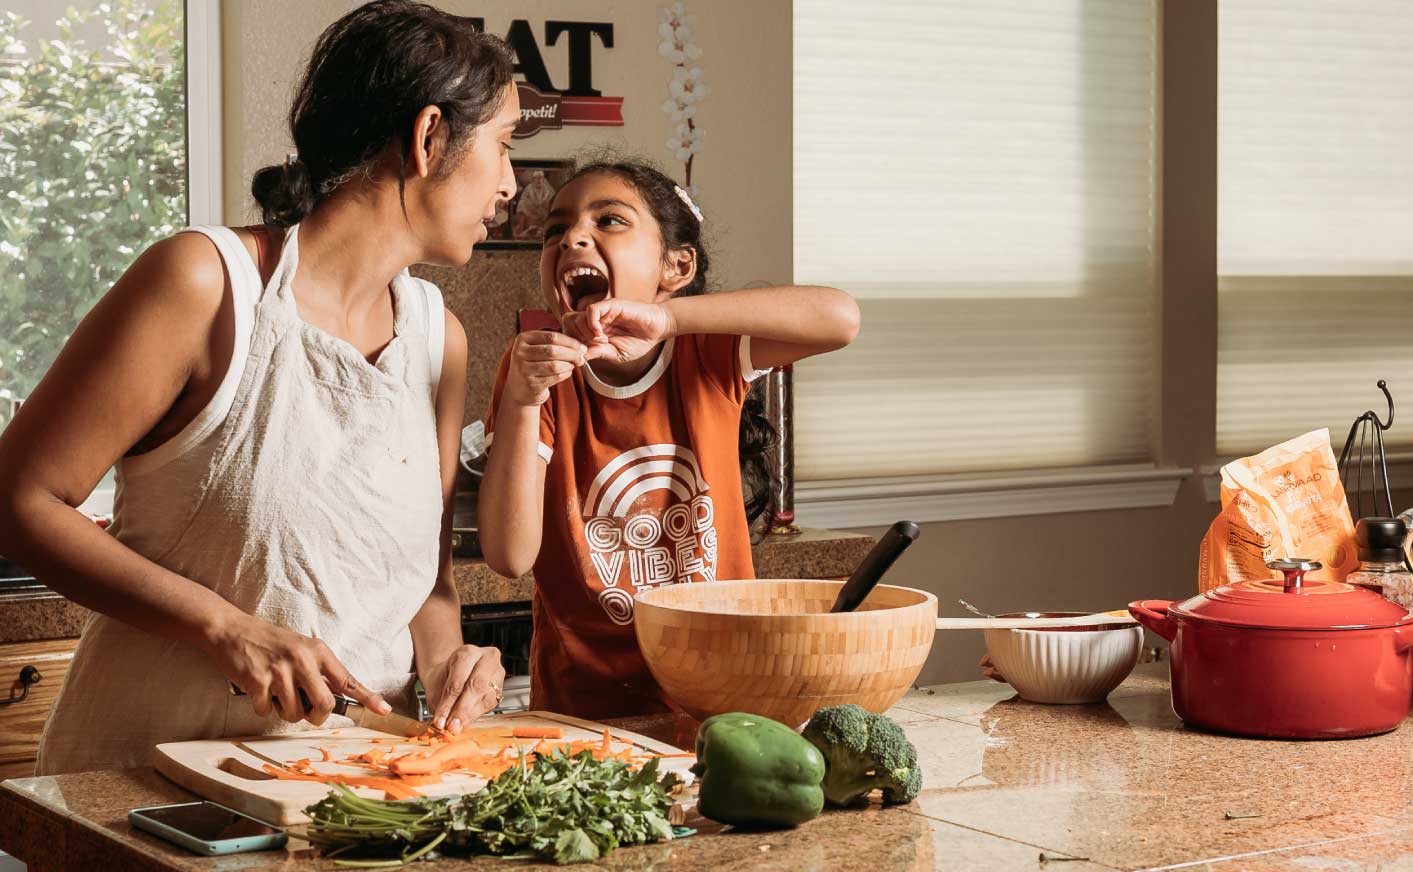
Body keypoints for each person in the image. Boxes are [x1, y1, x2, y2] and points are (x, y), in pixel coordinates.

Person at [0, 1, 519, 774]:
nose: (510, 184)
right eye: (505, 145)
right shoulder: (205, 284)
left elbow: (425, 580)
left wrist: (448, 667)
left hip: (345, 798)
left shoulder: (438, 338)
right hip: (141, 793)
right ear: (429, 137)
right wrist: (222, 627)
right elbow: (18, 501)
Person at [478, 158, 860, 719]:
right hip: (584, 712)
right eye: (555, 230)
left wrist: (670, 320)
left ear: (676, 266)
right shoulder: (534, 370)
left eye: (609, 221)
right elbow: (510, 557)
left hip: (723, 692)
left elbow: (840, 318)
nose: (573, 238)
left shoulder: (707, 352)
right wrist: (523, 396)